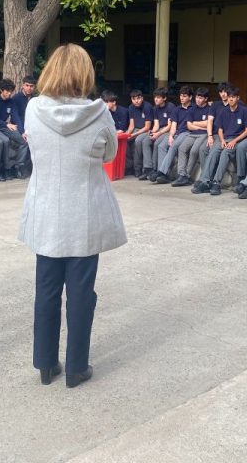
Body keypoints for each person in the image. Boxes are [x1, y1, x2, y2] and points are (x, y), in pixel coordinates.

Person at [19, 43, 127, 388]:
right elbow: (110, 152)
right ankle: (77, 366)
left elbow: (33, 146)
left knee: (46, 289)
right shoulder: (99, 113)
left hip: (46, 210)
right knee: (82, 292)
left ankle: (45, 364)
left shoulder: (33, 108)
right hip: (84, 212)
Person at [192, 85, 247, 196]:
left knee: (225, 153)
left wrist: (235, 141)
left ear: (238, 98)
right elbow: (220, 129)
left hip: (237, 140)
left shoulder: (244, 110)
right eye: (229, 97)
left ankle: (216, 182)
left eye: (233, 97)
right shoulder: (223, 111)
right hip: (224, 138)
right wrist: (222, 140)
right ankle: (205, 182)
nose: (230, 99)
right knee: (214, 151)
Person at [171, 87, 212, 187]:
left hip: (203, 134)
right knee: (182, 148)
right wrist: (201, 125)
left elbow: (209, 123)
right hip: (192, 134)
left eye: (201, 98)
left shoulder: (210, 109)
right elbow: (189, 125)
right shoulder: (192, 109)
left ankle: (187, 176)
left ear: (206, 99)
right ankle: (181, 174)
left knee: (194, 151)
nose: (198, 100)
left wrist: (195, 123)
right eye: (197, 97)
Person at [0, 79, 30, 179]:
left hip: (4, 127)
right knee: (5, 141)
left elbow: (16, 117)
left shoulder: (11, 102)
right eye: (7, 91)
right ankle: (5, 169)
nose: (9, 93)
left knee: (24, 141)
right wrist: (6, 124)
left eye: (11, 91)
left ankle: (18, 167)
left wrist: (22, 132)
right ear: (1, 90)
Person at [152, 85, 194, 183]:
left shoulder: (193, 108)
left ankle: (161, 172)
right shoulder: (177, 109)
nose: (182, 98)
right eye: (181, 96)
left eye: (184, 96)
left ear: (190, 97)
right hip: (177, 133)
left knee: (173, 146)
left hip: (187, 133)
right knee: (162, 146)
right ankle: (163, 175)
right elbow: (173, 125)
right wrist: (171, 136)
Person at [10, 75, 36, 175]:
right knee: (25, 141)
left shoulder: (35, 99)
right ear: (22, 86)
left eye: (31, 86)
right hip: (18, 127)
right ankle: (19, 167)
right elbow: (15, 117)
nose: (29, 88)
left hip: (32, 127)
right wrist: (22, 132)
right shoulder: (16, 98)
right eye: (27, 85)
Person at [126, 89, 153, 176]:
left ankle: (138, 169)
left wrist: (134, 135)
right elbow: (131, 125)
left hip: (145, 130)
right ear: (131, 99)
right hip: (135, 129)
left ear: (142, 98)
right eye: (134, 99)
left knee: (137, 141)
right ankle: (129, 167)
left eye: (138, 98)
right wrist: (126, 134)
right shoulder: (131, 107)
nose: (136, 101)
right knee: (124, 141)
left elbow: (147, 127)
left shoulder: (147, 106)